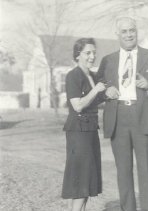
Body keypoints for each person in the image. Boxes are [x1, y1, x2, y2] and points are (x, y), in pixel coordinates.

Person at [97, 17, 148, 211]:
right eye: (124, 31)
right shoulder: (108, 60)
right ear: (117, 35)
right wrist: (105, 92)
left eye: (132, 31)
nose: (129, 35)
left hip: (144, 117)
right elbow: (97, 87)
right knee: (123, 172)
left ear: (136, 32)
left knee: (147, 171)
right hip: (118, 118)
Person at [62, 38, 106, 211]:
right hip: (78, 131)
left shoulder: (92, 76)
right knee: (81, 177)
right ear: (78, 55)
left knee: (86, 180)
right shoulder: (73, 76)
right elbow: (77, 105)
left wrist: (108, 92)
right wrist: (96, 90)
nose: (92, 56)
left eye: (94, 52)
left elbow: (99, 99)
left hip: (90, 130)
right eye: (88, 53)